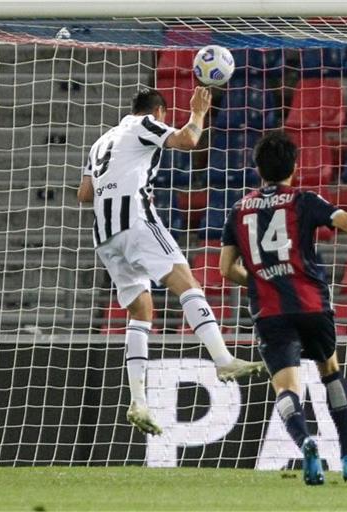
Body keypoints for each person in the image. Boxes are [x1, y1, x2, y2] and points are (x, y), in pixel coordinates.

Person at [219, 131, 347, 486]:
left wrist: (261, 280)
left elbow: (225, 268)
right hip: (311, 304)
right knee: (329, 371)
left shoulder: (238, 209)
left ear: (257, 169)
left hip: (270, 312)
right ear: (294, 167)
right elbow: (346, 221)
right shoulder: (303, 199)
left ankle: (306, 441)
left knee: (286, 389)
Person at [77, 87, 264, 436]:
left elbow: (84, 194)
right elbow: (187, 140)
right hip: (134, 220)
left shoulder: (100, 142)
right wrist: (198, 113)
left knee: (141, 313)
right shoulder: (143, 123)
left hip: (104, 235)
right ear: (159, 111)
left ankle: (139, 401)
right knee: (187, 284)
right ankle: (223, 361)